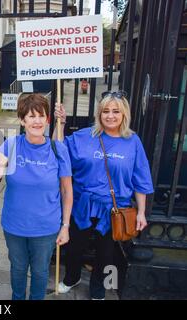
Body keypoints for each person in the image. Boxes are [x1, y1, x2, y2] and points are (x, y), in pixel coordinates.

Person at [54, 91, 154, 300]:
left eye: (116, 111)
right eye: (106, 111)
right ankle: (72, 277)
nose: (110, 116)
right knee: (74, 247)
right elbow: (58, 151)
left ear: (124, 114)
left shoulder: (133, 142)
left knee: (107, 253)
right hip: (83, 203)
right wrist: (60, 124)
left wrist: (142, 212)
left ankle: (98, 286)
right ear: (99, 114)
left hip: (114, 209)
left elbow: (141, 179)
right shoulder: (85, 136)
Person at [0, 94, 73, 300]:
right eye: (31, 116)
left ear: (47, 120)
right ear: (22, 120)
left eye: (41, 116)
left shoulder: (58, 148)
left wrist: (65, 225)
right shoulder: (11, 144)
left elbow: (67, 190)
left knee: (40, 271)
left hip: (46, 227)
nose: (36, 121)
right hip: (15, 225)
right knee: (18, 268)